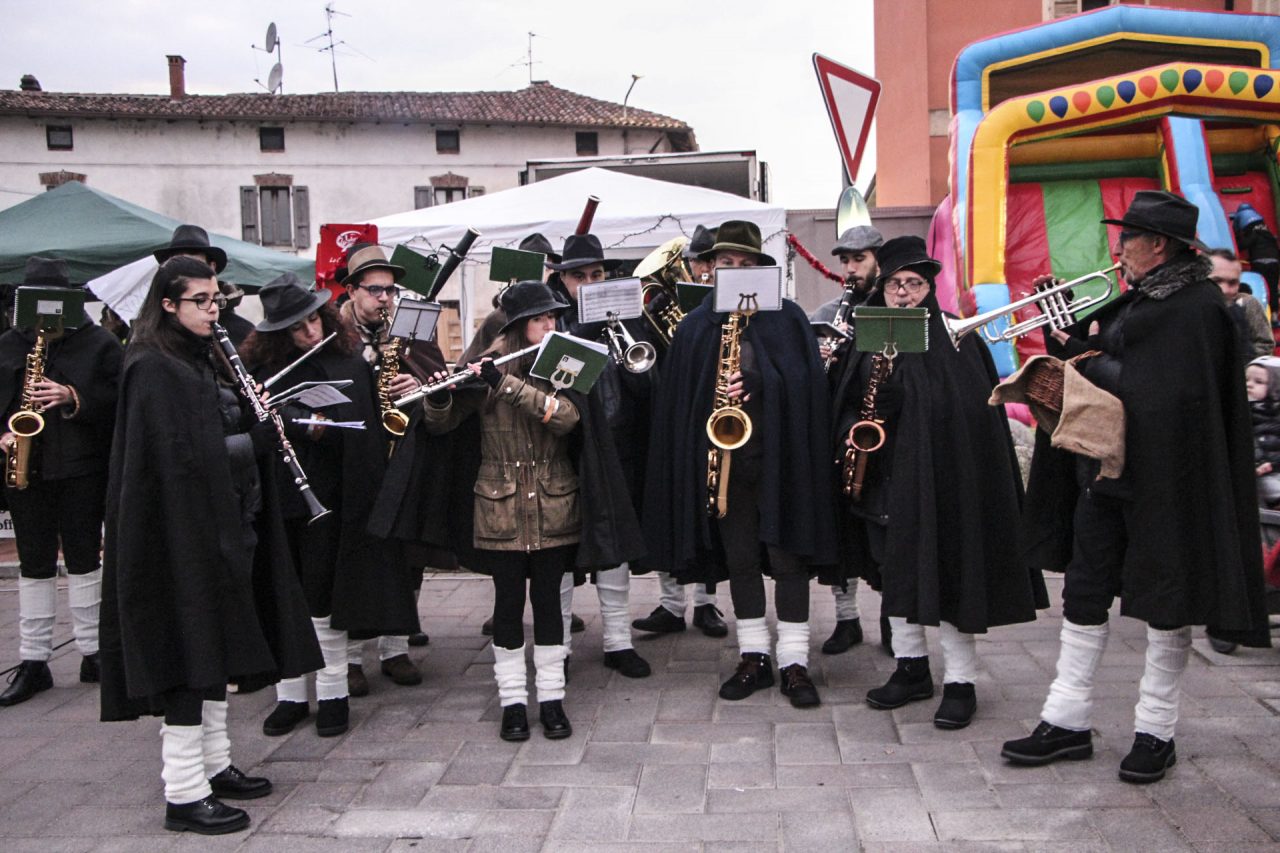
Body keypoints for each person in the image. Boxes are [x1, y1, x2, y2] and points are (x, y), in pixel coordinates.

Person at [1002, 190, 1270, 783]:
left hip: (1167, 483)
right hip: (1106, 474)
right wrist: (1064, 331)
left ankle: (1156, 730)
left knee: (1166, 602)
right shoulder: (1143, 298)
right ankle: (1065, 718)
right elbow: (1105, 360)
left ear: (1158, 245)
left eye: (1127, 238)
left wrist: (1090, 361)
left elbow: (1165, 392)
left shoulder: (1197, 308)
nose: (1118, 248)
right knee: (1085, 590)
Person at [98, 256, 322, 834]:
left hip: (224, 525)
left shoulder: (201, 358)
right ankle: (184, 791)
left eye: (216, 299)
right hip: (178, 537)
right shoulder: (151, 366)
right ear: (167, 305)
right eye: (199, 301)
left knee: (216, 649)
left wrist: (265, 419)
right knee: (188, 655)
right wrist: (257, 438)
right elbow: (180, 460)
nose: (212, 309)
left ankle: (216, 765)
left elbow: (212, 430)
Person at [830, 236, 1047, 729]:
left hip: (943, 480)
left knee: (950, 577)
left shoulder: (955, 335)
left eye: (914, 284)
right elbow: (844, 402)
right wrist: (859, 412)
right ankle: (910, 670)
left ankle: (961, 682)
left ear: (929, 287)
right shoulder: (868, 332)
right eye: (894, 285)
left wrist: (906, 396)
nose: (903, 295)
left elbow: (971, 410)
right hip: (884, 478)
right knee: (895, 574)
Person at [419, 280, 643, 740]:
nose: (552, 324)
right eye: (543, 319)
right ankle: (513, 703)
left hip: (554, 503)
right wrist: (439, 395)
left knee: (548, 607)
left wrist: (507, 385)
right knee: (506, 608)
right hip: (498, 506)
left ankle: (553, 700)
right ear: (520, 326)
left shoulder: (562, 361)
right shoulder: (484, 366)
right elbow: (441, 426)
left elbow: (566, 418)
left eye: (553, 317)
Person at [645, 220, 837, 708]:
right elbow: (679, 404)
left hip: (782, 462)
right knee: (741, 561)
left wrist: (760, 386)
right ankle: (754, 657)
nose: (734, 271)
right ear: (710, 270)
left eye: (745, 264)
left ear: (760, 269)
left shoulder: (788, 318)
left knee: (789, 559)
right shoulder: (694, 326)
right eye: (725, 263)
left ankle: (794, 661)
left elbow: (809, 389)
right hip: (725, 466)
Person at [241, 274, 420, 738]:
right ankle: (291, 696)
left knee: (324, 597)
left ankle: (334, 693)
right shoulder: (262, 372)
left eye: (314, 319)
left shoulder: (345, 358)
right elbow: (251, 431)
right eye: (297, 326)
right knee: (287, 595)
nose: (311, 332)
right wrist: (288, 422)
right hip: (283, 498)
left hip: (337, 496)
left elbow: (363, 422)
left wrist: (327, 424)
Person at [0, 257, 123, 706]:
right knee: (33, 563)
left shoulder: (99, 344)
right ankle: (33, 660)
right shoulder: (10, 345)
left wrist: (74, 396)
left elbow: (121, 397)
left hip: (81, 467)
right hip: (25, 468)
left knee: (85, 556)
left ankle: (93, 651)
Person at [544, 233, 658, 678]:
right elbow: (554, 379)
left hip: (618, 446)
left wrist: (632, 354)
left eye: (596, 274)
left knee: (616, 548)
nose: (588, 282)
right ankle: (561, 647)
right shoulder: (551, 319)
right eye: (579, 276)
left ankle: (618, 641)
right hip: (567, 450)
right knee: (562, 552)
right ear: (563, 279)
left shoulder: (628, 318)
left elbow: (647, 384)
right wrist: (583, 337)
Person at [338, 244, 446, 694]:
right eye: (374, 289)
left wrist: (419, 383)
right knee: (353, 557)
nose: (384, 298)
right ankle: (346, 658)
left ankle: (395, 648)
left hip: (401, 456)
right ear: (351, 290)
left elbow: (440, 379)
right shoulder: (333, 332)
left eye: (390, 289)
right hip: (350, 459)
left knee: (404, 555)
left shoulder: (408, 330)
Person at [633, 223, 729, 639]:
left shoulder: (727, 304)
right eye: (692, 262)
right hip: (669, 414)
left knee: (708, 510)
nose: (697, 269)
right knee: (667, 507)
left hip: (713, 415)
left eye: (704, 261)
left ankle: (707, 606)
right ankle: (671, 605)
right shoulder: (666, 302)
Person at [810, 224, 884, 656]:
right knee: (841, 527)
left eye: (859, 260)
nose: (851, 269)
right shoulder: (828, 311)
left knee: (885, 528)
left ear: (878, 259)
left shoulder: (891, 307)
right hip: (839, 431)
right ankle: (846, 619)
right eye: (846, 261)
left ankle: (896, 623)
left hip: (879, 432)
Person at [153, 224, 254, 346]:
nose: (186, 276)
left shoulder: (241, 331)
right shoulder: (149, 332)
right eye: (177, 267)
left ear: (212, 267)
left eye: (195, 267)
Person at [1209, 248, 1273, 359]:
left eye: (1232, 283)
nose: (1225, 290)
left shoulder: (1248, 304)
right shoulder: (1188, 309)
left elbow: (1265, 344)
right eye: (1217, 281)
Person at [1246, 356, 1280, 507]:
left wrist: (1273, 463)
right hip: (1260, 474)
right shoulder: (1244, 412)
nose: (1249, 385)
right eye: (1246, 379)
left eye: (1258, 382)